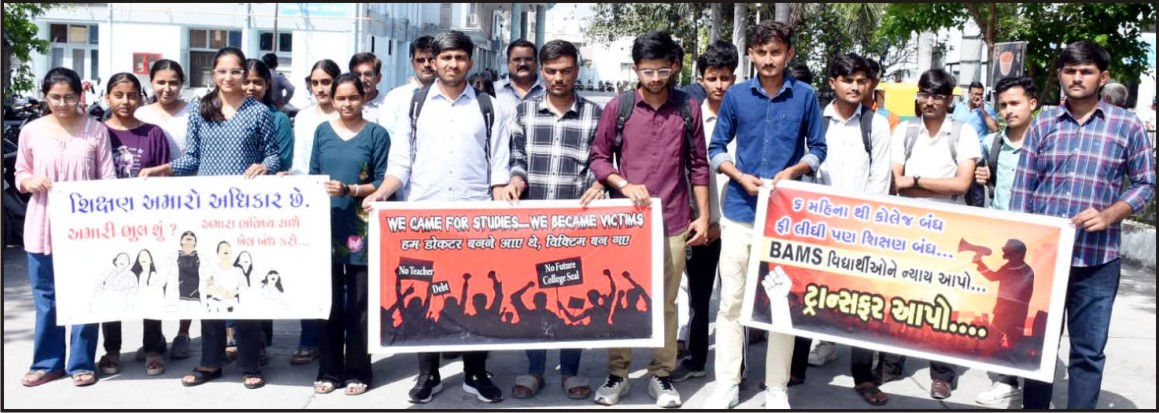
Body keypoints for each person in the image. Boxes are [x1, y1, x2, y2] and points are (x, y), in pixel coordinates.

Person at [362, 30, 512, 404]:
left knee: (476, 297)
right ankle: (427, 373)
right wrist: (381, 192)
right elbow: (401, 162)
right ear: (434, 61)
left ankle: (475, 372)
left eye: (459, 57)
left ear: (470, 62)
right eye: (445, 58)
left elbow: (499, 166)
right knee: (425, 295)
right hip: (424, 220)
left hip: (474, 220)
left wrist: (501, 200)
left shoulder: (489, 106)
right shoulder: (414, 105)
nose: (452, 64)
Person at [1011, 40, 1155, 410]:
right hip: (1045, 261)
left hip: (1097, 262)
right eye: (1070, 71)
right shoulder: (1043, 124)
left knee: (1088, 352)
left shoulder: (1127, 125)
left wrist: (1110, 214)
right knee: (1038, 349)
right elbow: (1022, 190)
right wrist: (1021, 251)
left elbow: (1146, 183)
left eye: (1086, 71)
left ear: (1102, 77)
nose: (1077, 78)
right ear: (1061, 75)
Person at [139, 46, 280, 390]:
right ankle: (211, 361)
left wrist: (265, 166)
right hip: (208, 212)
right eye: (222, 71)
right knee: (210, 286)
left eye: (236, 72)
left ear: (245, 74)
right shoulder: (202, 110)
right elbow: (192, 158)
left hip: (246, 212)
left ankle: (249, 362)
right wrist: (163, 169)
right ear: (213, 74)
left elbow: (274, 155)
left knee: (243, 287)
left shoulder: (259, 112)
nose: (229, 78)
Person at [704, 20, 826, 409]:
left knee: (781, 304)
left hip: (784, 219)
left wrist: (793, 171)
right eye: (762, 53)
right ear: (751, 55)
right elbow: (716, 148)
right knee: (731, 303)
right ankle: (728, 382)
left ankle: (776, 387)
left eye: (776, 52)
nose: (769, 60)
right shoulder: (737, 96)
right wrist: (739, 175)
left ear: (789, 54)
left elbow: (818, 149)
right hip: (739, 212)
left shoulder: (806, 96)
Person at [587, 31, 710, 409]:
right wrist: (622, 184)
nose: (655, 78)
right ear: (636, 69)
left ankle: (661, 373)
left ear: (674, 67)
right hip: (627, 223)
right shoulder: (619, 107)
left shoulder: (688, 108)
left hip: (674, 219)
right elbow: (599, 157)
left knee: (667, 303)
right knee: (620, 299)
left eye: (662, 70)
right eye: (647, 71)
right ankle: (618, 373)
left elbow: (699, 165)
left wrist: (704, 216)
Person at [500, 39, 604, 401]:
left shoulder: (595, 115)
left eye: (566, 71)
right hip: (534, 224)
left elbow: (602, 162)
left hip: (576, 226)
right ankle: (535, 369)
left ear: (577, 70)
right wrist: (516, 180)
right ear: (542, 71)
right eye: (551, 71)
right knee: (536, 297)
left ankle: (571, 370)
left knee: (572, 297)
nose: (558, 78)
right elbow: (517, 158)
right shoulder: (525, 112)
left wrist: (600, 184)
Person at [882, 68, 980, 400]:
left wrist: (917, 181)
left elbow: (961, 184)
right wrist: (926, 186)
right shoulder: (905, 131)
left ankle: (942, 374)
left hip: (951, 225)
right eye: (924, 94)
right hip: (908, 224)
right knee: (900, 294)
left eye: (937, 95)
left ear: (949, 100)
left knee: (944, 300)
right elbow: (895, 183)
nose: (930, 101)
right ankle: (891, 364)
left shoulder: (964, 132)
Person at [16, 67, 115, 387]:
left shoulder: (96, 131)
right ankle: (47, 363)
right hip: (42, 225)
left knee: (85, 297)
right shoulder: (32, 131)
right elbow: (20, 172)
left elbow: (107, 179)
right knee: (47, 299)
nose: (62, 104)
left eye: (69, 97)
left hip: (85, 229)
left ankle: (81, 363)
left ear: (80, 96)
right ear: (45, 96)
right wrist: (30, 181)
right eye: (55, 97)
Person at [310, 73, 390, 397]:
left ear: (364, 97)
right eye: (340, 98)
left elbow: (383, 181)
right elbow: (314, 176)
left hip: (362, 228)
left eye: (353, 97)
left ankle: (358, 371)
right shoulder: (322, 131)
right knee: (329, 304)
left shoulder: (377, 134)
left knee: (359, 304)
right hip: (327, 226)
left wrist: (352, 189)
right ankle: (329, 370)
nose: (347, 104)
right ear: (332, 99)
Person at [966, 75, 1041, 407]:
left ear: (1032, 104)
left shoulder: (1045, 142)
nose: (1009, 110)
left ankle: (1022, 383)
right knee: (1002, 317)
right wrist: (984, 175)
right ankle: (1006, 381)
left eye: (1015, 103)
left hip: (1037, 239)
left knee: (1018, 319)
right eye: (1003, 105)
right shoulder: (991, 143)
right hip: (1004, 237)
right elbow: (984, 177)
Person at [96, 72, 172, 377]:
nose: (125, 101)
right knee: (111, 284)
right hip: (106, 225)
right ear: (107, 97)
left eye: (131, 95)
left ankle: (153, 347)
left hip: (147, 223)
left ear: (141, 98)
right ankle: (112, 348)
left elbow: (166, 178)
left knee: (149, 282)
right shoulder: (97, 132)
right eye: (118, 95)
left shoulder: (153, 133)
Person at [671, 40, 738, 385]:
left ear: (734, 78)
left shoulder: (745, 118)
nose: (719, 85)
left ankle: (736, 370)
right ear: (701, 79)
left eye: (725, 78)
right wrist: (700, 219)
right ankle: (696, 359)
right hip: (700, 225)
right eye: (712, 78)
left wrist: (724, 224)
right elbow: (684, 172)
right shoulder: (690, 116)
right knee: (699, 298)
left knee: (735, 300)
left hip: (737, 223)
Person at [135, 60, 196, 361]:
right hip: (151, 204)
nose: (167, 88)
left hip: (188, 197)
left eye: (173, 82)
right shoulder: (141, 114)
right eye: (161, 82)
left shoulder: (194, 112)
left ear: (182, 83)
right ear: (151, 82)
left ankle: (184, 331)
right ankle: (154, 335)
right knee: (154, 268)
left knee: (187, 267)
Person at [379, 36, 437, 145]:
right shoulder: (396, 97)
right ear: (412, 64)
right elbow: (388, 135)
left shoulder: (449, 96)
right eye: (420, 60)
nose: (426, 64)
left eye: (431, 59)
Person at [290, 59, 341, 178]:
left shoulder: (346, 116)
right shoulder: (303, 117)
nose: (320, 89)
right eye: (315, 83)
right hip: (309, 182)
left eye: (326, 82)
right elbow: (299, 158)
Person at [243, 59, 295, 173]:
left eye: (257, 82)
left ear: (267, 84)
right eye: (245, 82)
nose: (251, 88)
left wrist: (265, 168)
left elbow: (283, 162)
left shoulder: (279, 120)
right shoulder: (228, 116)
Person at [494, 39, 546, 117]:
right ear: (508, 63)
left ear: (536, 63)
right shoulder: (492, 91)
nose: (522, 64)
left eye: (528, 59)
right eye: (517, 59)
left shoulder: (549, 91)